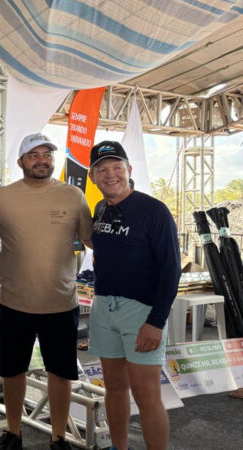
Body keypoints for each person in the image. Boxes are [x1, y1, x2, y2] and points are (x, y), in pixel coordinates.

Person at [0, 133, 92, 450]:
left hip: (61, 303)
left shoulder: (73, 195)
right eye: (33, 155)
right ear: (21, 162)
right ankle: (13, 432)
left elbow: (94, 239)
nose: (42, 160)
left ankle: (59, 437)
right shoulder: (3, 197)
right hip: (15, 304)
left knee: (61, 373)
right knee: (13, 372)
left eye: (47, 154)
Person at [87, 141, 180, 450]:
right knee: (113, 387)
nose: (110, 175)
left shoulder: (153, 210)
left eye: (117, 167)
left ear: (129, 170)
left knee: (146, 393)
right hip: (104, 306)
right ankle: (119, 447)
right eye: (102, 169)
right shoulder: (100, 209)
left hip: (141, 311)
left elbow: (171, 270)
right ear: (93, 176)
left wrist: (156, 321)